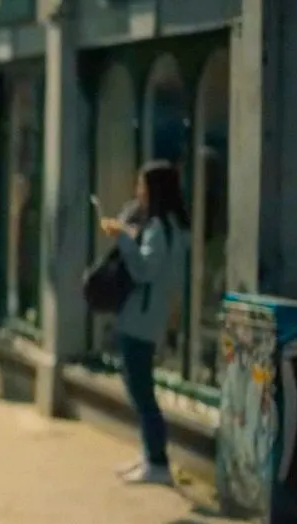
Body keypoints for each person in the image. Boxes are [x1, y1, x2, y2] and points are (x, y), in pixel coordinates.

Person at [100, 160, 190, 487]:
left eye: (142, 186)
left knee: (141, 391)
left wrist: (124, 239)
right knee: (139, 387)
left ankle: (158, 462)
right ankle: (150, 454)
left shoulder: (160, 227)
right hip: (145, 317)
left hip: (142, 319)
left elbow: (144, 270)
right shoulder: (166, 227)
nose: (138, 192)